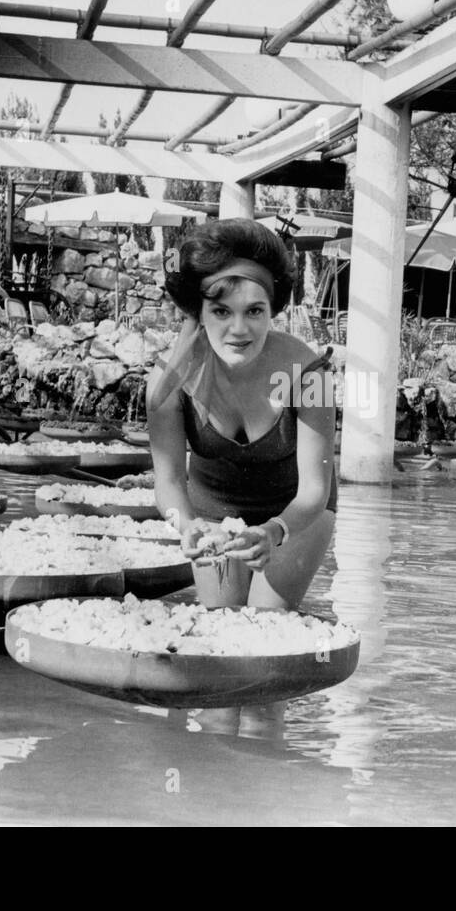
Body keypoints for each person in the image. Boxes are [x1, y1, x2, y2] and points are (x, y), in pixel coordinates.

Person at [147, 218, 337, 614]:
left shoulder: (310, 374)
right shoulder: (168, 382)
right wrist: (187, 525)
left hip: (297, 513)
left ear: (273, 310)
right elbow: (167, 483)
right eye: (221, 311)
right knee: (222, 625)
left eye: (254, 310)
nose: (239, 329)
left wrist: (274, 530)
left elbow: (315, 491)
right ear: (199, 313)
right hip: (213, 512)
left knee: (267, 620)